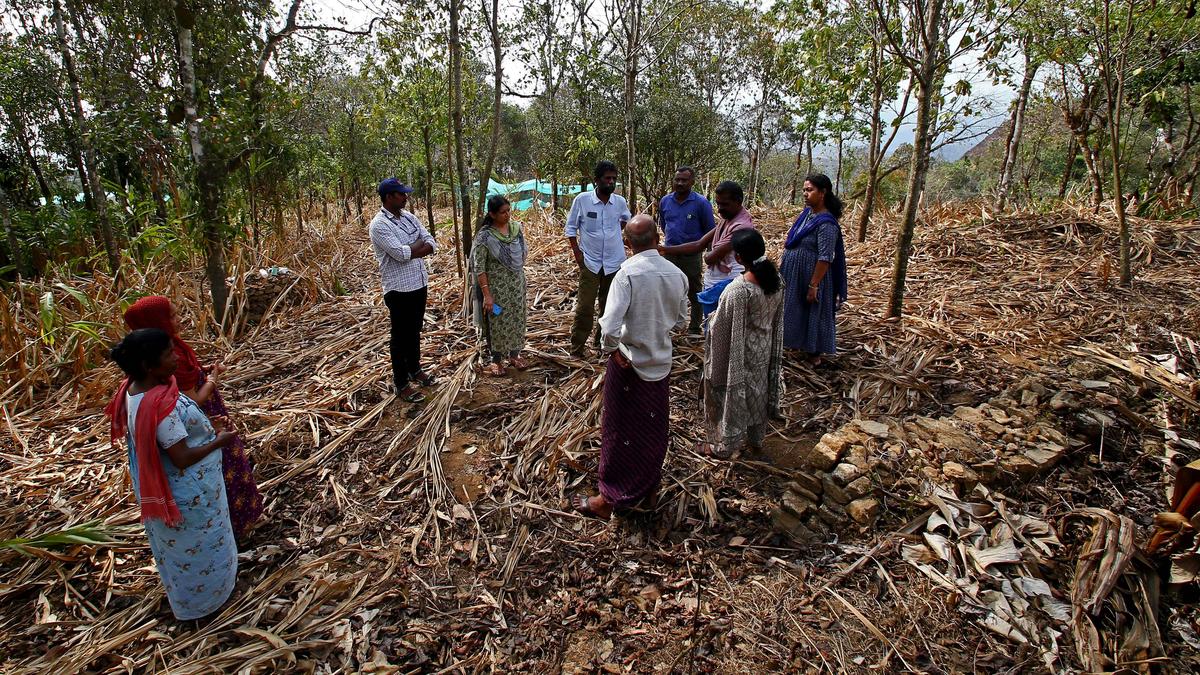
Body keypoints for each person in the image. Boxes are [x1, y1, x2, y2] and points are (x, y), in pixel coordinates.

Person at [104, 328, 239, 620]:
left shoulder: (133, 390)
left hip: (166, 489)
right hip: (187, 496)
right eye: (168, 354)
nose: (175, 357)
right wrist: (219, 440)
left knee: (180, 552)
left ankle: (195, 597)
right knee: (201, 548)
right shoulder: (160, 407)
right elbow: (181, 457)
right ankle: (206, 604)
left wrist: (202, 425)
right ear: (147, 366)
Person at [570, 215, 688, 520]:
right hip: (660, 364)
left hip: (629, 364)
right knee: (653, 428)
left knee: (618, 429)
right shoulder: (677, 275)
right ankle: (649, 488)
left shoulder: (627, 275)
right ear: (657, 237)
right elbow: (682, 321)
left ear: (627, 243)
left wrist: (611, 349)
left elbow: (609, 326)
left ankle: (609, 498)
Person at [123, 295, 263, 544]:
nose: (179, 320)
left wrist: (201, 371)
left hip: (202, 425)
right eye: (173, 316)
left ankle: (237, 526)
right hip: (200, 428)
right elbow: (193, 401)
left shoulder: (162, 355)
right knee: (227, 469)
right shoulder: (161, 375)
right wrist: (212, 380)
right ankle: (235, 528)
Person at [700, 229, 785, 458]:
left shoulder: (738, 290)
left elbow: (721, 325)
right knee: (758, 391)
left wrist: (711, 319)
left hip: (739, 353)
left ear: (738, 257)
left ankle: (724, 445)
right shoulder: (776, 280)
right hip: (763, 350)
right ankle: (756, 440)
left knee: (734, 395)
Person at [369, 178, 438, 403]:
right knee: (400, 336)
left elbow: (430, 242)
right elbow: (400, 254)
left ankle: (415, 369)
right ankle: (401, 383)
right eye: (401, 194)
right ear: (389, 197)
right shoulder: (379, 225)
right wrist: (416, 247)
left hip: (419, 282)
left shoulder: (409, 218)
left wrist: (414, 247)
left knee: (415, 330)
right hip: (399, 289)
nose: (405, 197)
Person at [659, 180, 756, 321]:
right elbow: (699, 244)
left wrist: (708, 253)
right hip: (716, 281)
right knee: (712, 325)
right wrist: (664, 249)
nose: (719, 209)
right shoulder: (727, 219)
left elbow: (710, 258)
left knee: (721, 326)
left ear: (738, 201)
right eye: (718, 204)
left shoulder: (741, 227)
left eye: (725, 204)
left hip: (728, 282)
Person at [564, 160, 630, 358]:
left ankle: (602, 344)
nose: (611, 182)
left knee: (609, 306)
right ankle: (577, 348)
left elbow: (627, 220)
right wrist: (578, 254)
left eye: (614, 179)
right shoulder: (582, 200)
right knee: (585, 306)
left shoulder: (619, 202)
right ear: (597, 180)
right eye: (607, 178)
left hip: (614, 262)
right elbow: (570, 229)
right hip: (590, 262)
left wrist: (614, 236)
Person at [780, 173, 848, 364]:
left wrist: (814, 285)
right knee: (795, 309)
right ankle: (796, 343)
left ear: (823, 192)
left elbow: (825, 257)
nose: (805, 194)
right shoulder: (808, 214)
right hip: (796, 275)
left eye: (809, 190)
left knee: (813, 312)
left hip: (812, 277)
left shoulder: (826, 224)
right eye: (804, 190)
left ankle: (814, 355)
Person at [470, 195, 529, 376]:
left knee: (517, 318)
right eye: (503, 212)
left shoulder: (515, 229)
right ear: (492, 214)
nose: (507, 215)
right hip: (495, 290)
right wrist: (487, 295)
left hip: (516, 286)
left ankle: (514, 354)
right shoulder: (485, 237)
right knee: (497, 321)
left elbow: (522, 251)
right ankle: (496, 359)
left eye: (509, 211)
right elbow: (479, 267)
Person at [657, 166, 715, 335]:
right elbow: (664, 224)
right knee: (669, 290)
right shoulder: (665, 201)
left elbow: (710, 231)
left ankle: (695, 327)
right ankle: (671, 326)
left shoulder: (701, 203)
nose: (680, 183)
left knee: (694, 291)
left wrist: (710, 256)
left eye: (684, 180)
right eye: (677, 180)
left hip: (691, 256)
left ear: (692, 182)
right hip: (669, 254)